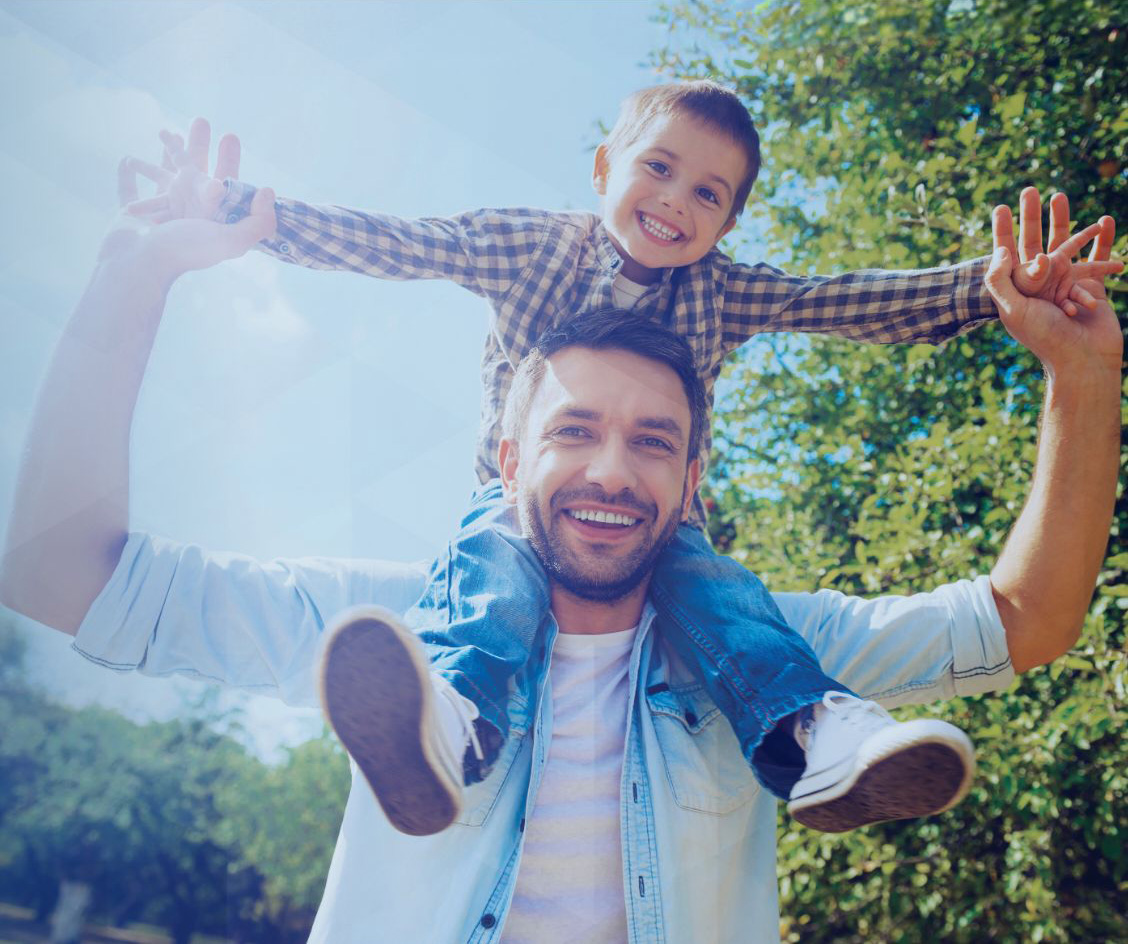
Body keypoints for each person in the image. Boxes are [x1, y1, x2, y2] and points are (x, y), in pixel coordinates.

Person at [0, 162, 1120, 941]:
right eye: (574, 432)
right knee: (427, 673)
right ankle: (452, 716)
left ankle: (817, 740)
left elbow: (1031, 618)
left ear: (692, 484)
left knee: (801, 697)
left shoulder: (765, 642)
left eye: (651, 443)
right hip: (425, 665)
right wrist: (133, 273)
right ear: (506, 457)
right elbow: (58, 577)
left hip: (773, 683)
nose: (609, 471)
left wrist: (1082, 376)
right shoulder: (376, 636)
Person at [150, 80, 1120, 836]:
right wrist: (257, 216)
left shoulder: (723, 291)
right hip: (520, 503)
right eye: (658, 168)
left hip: (664, 523)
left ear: (729, 221)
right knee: (491, 564)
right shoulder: (524, 245)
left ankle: (815, 733)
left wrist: (991, 292)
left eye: (708, 193)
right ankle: (452, 718)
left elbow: (845, 301)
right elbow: (403, 242)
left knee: (717, 590)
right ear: (606, 164)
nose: (675, 202)